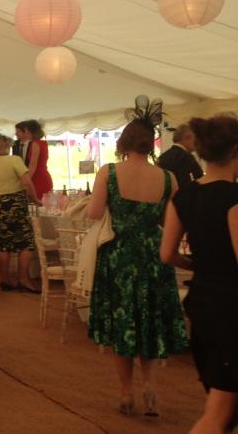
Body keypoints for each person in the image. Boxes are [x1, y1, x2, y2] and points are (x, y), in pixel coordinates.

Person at [86, 115, 188, 418]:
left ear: (124, 142)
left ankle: (126, 392)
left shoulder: (109, 172)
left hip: (119, 255)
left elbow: (93, 213)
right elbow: (174, 222)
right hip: (153, 254)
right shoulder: (169, 178)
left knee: (124, 325)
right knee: (149, 322)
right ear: (151, 143)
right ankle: (150, 386)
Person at [160, 115, 238, 433]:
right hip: (230, 310)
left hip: (202, 302)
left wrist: (198, 266)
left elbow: (167, 254)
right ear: (235, 150)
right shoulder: (234, 199)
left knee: (222, 410)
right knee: (217, 416)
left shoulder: (184, 196)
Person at [0, 134, 41, 292]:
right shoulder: (15, 160)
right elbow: (27, 182)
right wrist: (35, 199)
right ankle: (23, 278)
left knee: (4, 244)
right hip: (16, 203)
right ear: (7, 147)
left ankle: (5, 278)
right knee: (26, 242)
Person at [20, 120, 53, 201]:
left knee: (37, 204)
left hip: (38, 178)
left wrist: (26, 181)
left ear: (30, 132)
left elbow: (33, 165)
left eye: (26, 131)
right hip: (43, 175)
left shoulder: (35, 144)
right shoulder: (43, 143)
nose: (25, 133)